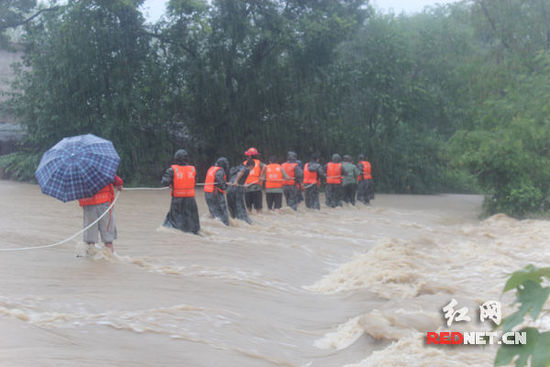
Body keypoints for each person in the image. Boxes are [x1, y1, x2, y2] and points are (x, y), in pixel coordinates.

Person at [78, 174, 123, 254]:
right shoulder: (100, 167)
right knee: (108, 240)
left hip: (88, 204)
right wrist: (119, 184)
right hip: (104, 202)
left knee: (89, 241)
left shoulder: (77, 171)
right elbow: (118, 181)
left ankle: (89, 262)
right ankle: (109, 261)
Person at [161, 149, 200, 234]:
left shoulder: (172, 170)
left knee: (175, 222)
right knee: (191, 221)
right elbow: (195, 181)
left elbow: (164, 182)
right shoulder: (193, 169)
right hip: (191, 200)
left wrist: (172, 183)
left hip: (178, 200)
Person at [227, 159, 255, 224]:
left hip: (229, 189)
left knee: (231, 206)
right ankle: (243, 221)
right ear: (251, 166)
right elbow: (241, 172)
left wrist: (243, 184)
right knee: (239, 206)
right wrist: (236, 181)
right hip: (236, 189)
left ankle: (233, 220)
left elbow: (236, 175)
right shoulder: (246, 169)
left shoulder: (237, 168)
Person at [204, 157, 230, 226]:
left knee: (213, 210)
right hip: (215, 193)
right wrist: (224, 187)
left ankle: (215, 225)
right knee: (222, 210)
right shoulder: (220, 170)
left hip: (207, 193)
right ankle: (226, 225)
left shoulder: (211, 169)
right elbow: (219, 180)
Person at [243, 147, 266, 213]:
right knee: (258, 209)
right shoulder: (259, 163)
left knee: (248, 209)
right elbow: (265, 168)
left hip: (247, 187)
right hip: (257, 188)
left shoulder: (244, 163)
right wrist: (262, 176)